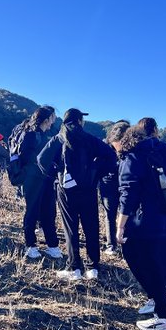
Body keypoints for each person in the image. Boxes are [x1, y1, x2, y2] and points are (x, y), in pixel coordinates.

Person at [36, 108, 116, 281]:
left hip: (65, 190)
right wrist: (95, 172)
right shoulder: (89, 139)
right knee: (91, 227)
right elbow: (111, 157)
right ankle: (93, 267)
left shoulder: (59, 138)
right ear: (80, 121)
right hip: (88, 188)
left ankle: (74, 267)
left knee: (70, 228)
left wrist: (55, 174)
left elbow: (41, 160)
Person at [117, 117, 166, 330]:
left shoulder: (132, 158)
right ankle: (157, 301)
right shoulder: (161, 151)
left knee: (138, 259)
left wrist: (120, 226)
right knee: (152, 262)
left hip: (141, 221)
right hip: (163, 219)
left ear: (125, 141)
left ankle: (164, 315)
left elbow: (128, 194)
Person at [17, 106, 63, 261]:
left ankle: (52, 245)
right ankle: (30, 245)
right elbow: (25, 158)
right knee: (32, 211)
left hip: (47, 180)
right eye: (53, 117)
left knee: (49, 212)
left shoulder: (47, 135)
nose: (54, 120)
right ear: (46, 119)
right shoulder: (30, 135)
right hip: (33, 180)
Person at [100, 121, 130, 254]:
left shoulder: (131, 147)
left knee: (125, 214)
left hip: (125, 185)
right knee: (110, 215)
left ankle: (125, 243)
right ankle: (111, 244)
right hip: (108, 184)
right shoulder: (105, 146)